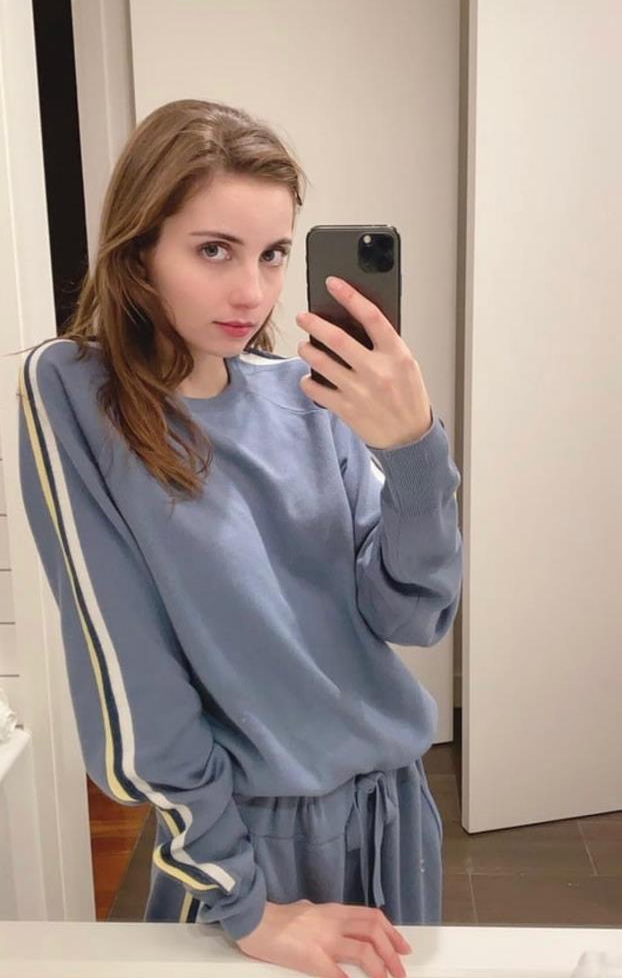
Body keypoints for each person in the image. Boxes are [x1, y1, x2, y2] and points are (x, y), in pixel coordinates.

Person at [16, 98, 463, 978]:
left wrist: (414, 452)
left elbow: (411, 616)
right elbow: (131, 680)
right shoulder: (74, 392)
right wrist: (246, 902)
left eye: (273, 254)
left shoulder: (307, 395)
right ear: (141, 248)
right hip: (251, 837)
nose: (252, 293)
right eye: (214, 250)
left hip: (395, 811)